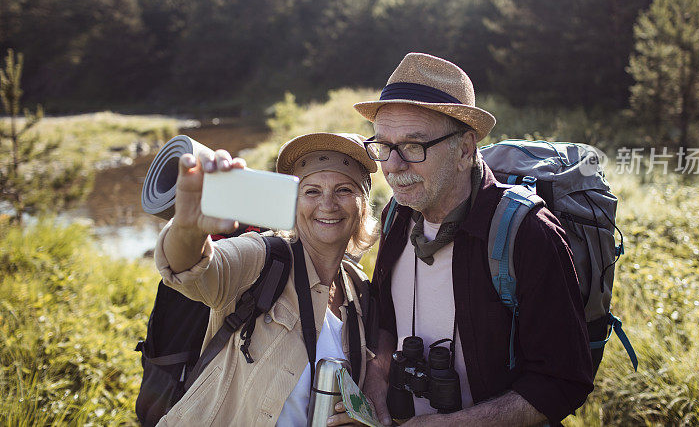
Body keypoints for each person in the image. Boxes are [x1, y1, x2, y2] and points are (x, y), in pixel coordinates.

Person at [351, 53, 595, 426]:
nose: (393, 166)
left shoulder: (528, 234)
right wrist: (378, 373)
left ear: (465, 149)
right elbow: (387, 317)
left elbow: (564, 381)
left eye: (414, 147)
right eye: (383, 145)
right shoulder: (397, 217)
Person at [152, 132, 379, 426]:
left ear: (363, 206)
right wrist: (188, 229)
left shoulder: (359, 289)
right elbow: (190, 270)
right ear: (293, 206)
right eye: (311, 191)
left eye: (344, 190)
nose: (328, 204)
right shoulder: (262, 257)